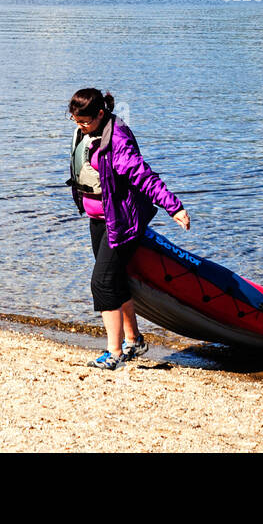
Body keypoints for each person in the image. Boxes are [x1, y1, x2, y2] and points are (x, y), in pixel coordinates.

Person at [67, 88, 190, 370]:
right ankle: (133, 341)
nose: (80, 126)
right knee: (115, 280)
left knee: (102, 283)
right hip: (98, 218)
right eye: (75, 121)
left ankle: (114, 353)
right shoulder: (88, 131)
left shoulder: (117, 139)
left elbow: (143, 176)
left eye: (84, 121)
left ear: (101, 114)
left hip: (120, 221)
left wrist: (174, 207)